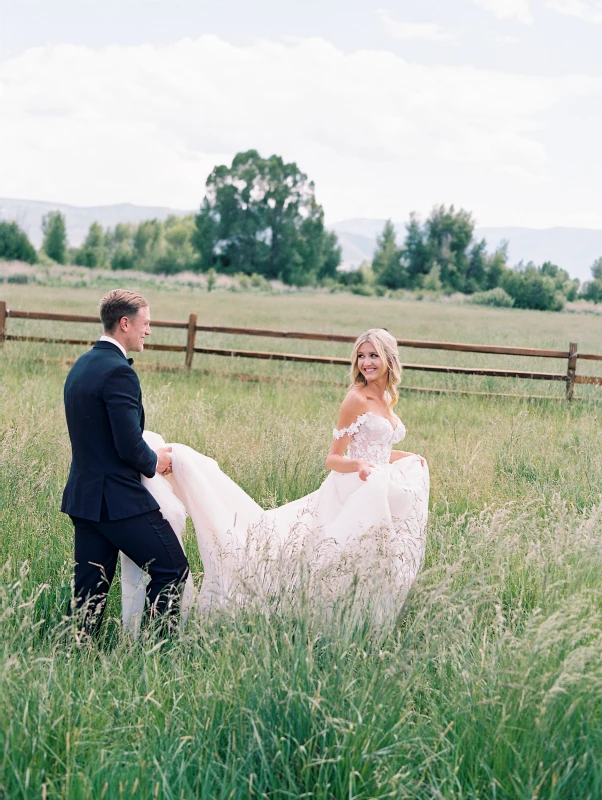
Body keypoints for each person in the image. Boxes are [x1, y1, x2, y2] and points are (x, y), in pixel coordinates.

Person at [122, 328, 429, 626]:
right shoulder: (356, 399)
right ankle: (316, 615)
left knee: (374, 555)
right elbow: (334, 458)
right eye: (361, 356)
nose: (366, 363)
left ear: (389, 358)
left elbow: (376, 450)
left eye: (373, 355)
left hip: (377, 484)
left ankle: (363, 617)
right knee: (324, 555)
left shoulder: (387, 398)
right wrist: (359, 466)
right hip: (351, 490)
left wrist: (408, 457)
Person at [61, 289, 189, 637]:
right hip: (117, 500)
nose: (148, 331)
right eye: (145, 323)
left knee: (90, 587)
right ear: (125, 323)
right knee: (172, 569)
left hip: (84, 497)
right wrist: (156, 461)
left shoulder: (82, 364)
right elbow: (129, 446)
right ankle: (155, 648)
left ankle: (75, 650)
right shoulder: (119, 373)